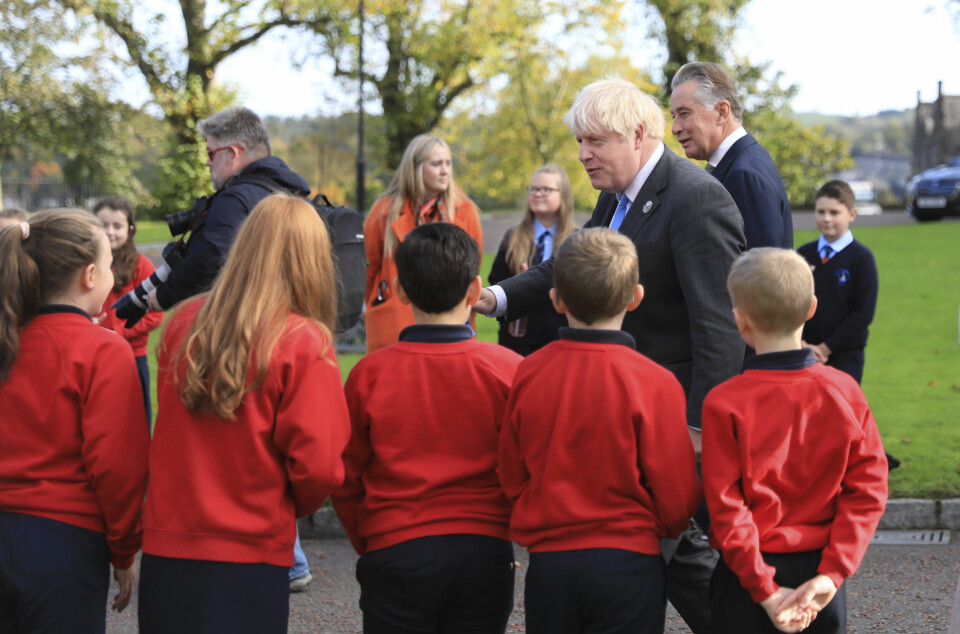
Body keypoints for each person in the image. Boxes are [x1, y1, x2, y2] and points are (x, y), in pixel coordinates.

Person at [475, 77, 745, 634]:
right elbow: (571, 266)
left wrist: (698, 429)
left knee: (688, 562)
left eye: (595, 141)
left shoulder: (697, 198)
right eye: (579, 141)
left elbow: (719, 328)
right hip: (625, 414)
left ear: (640, 135)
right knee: (677, 562)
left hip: (671, 423)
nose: (583, 155)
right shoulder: (615, 196)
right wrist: (496, 296)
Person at [138, 194, 352, 634]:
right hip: (250, 549)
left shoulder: (184, 321)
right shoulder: (303, 340)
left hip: (170, 543)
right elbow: (319, 466)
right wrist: (284, 504)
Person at [499, 228, 702, 634]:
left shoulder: (530, 372)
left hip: (552, 560)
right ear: (635, 297)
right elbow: (677, 491)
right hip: (630, 560)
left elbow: (512, 470)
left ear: (555, 300)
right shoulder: (656, 382)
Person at [333, 222, 522, 633]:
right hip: (484, 547)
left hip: (396, 543)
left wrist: (369, 539)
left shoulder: (369, 375)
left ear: (400, 290)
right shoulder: (507, 370)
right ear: (475, 291)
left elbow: (345, 475)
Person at [702, 247, 888, 633]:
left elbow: (725, 506)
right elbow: (869, 488)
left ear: (739, 321)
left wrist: (764, 589)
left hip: (746, 575)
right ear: (812, 308)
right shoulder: (845, 391)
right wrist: (833, 573)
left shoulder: (724, 402)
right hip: (821, 572)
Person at [0, 209, 149, 632]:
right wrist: (124, 552)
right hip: (62, 545)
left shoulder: (7, 338)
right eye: (107, 266)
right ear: (89, 276)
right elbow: (119, 468)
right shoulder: (103, 350)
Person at [144, 106, 311, 312]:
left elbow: (211, 256)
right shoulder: (295, 194)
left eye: (211, 153)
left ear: (233, 154)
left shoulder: (234, 199)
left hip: (244, 328)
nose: (207, 162)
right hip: (294, 320)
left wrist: (164, 295)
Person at [363, 134, 483, 352]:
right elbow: (367, 270)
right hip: (395, 323)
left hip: (452, 323)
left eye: (448, 163)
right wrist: (379, 302)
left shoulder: (465, 212)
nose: (445, 170)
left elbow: (473, 268)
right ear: (415, 168)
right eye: (436, 164)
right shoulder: (384, 211)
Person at [670, 61, 792, 250]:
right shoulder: (738, 165)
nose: (674, 128)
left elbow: (762, 271)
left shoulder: (744, 175)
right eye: (673, 116)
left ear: (722, 112)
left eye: (684, 113)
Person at [488, 165, 575, 355]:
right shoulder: (512, 238)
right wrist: (519, 283)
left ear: (564, 195)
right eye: (533, 189)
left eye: (546, 189)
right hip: (518, 341)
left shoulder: (576, 241)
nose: (537, 194)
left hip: (559, 338)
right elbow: (495, 281)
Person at [797, 180, 878, 383]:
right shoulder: (803, 254)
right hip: (804, 354)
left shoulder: (862, 259)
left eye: (834, 213)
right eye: (821, 211)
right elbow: (791, 303)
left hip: (845, 356)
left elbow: (863, 314)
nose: (826, 218)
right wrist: (801, 343)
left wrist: (825, 348)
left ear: (852, 214)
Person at [93, 196, 164, 425]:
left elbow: (155, 314)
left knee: (134, 423)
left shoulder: (141, 265)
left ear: (130, 229)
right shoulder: (85, 263)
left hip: (131, 358)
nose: (110, 231)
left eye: (117, 226)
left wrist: (118, 332)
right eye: (103, 225)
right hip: (93, 358)